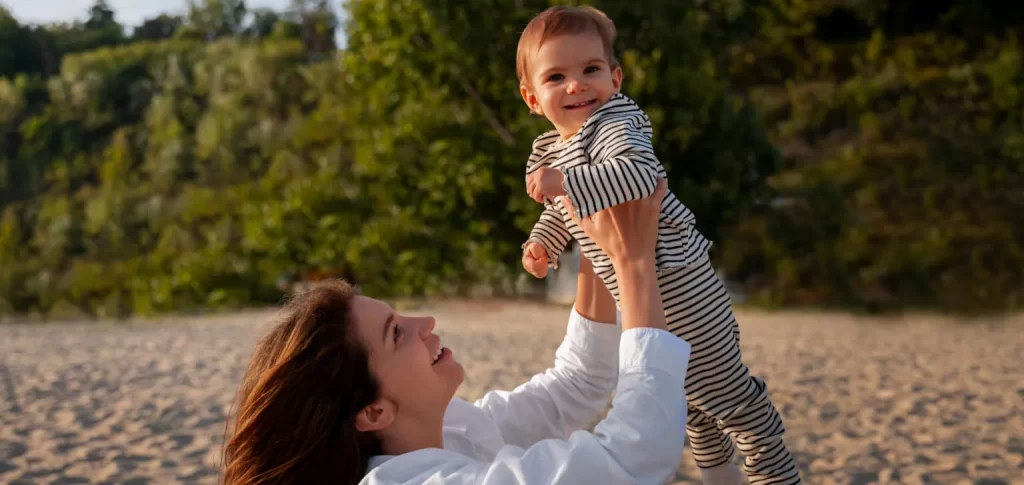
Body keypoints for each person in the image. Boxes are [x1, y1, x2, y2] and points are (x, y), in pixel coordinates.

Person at [222, 180, 695, 484]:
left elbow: (576, 385)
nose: (424, 324)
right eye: (396, 335)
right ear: (373, 411)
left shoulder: (445, 429)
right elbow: (635, 457)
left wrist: (594, 237)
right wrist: (634, 264)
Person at [516, 6, 802, 485]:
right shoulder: (550, 150)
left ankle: (775, 474)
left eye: (591, 69)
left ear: (616, 78)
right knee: (679, 398)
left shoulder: (615, 124)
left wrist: (564, 181)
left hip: (682, 285)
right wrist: (542, 242)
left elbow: (639, 175)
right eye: (556, 76)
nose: (576, 85)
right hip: (640, 298)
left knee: (730, 398)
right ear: (532, 97)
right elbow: (560, 210)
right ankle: (719, 476)